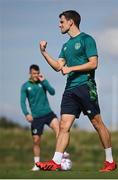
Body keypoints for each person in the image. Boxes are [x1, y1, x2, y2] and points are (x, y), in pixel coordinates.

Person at [36, 10, 117, 172]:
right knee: (64, 125)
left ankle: (110, 161)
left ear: (71, 22)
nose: (59, 25)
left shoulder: (87, 39)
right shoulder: (65, 46)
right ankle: (56, 161)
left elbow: (93, 64)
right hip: (70, 90)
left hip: (85, 86)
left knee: (97, 123)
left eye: (62, 22)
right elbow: (59, 67)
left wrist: (71, 68)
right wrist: (43, 52)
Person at [20, 64, 60, 171]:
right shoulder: (25, 86)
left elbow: (53, 92)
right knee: (36, 140)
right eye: (34, 73)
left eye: (37, 73)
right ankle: (37, 164)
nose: (36, 75)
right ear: (30, 73)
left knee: (59, 129)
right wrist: (26, 113)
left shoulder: (43, 83)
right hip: (36, 117)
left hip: (48, 113)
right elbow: (22, 101)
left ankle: (60, 157)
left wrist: (44, 81)